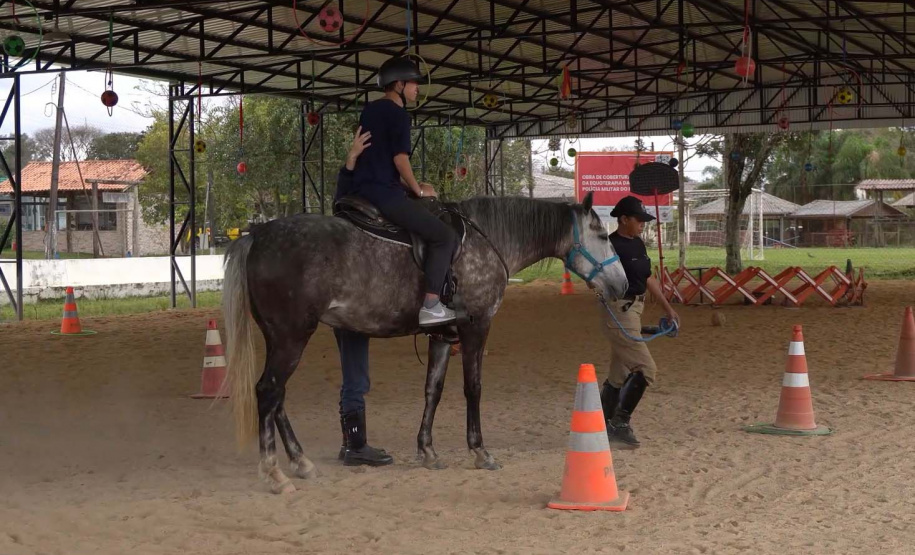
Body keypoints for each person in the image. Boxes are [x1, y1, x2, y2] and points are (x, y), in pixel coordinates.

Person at [351, 55, 458, 327]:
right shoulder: (399, 114)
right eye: (413, 84)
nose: (417, 89)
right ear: (398, 85)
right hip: (385, 194)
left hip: (360, 189)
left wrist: (412, 185)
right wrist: (418, 191)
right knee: (444, 236)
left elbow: (375, 160)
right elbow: (400, 160)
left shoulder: (369, 110)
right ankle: (432, 304)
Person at [332, 126, 394, 467]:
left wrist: (351, 161)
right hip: (354, 292)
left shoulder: (356, 197)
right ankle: (355, 446)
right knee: (356, 373)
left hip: (347, 288)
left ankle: (352, 443)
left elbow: (339, 199)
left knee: (353, 372)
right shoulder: (377, 198)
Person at [598, 195, 680, 449]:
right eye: (639, 220)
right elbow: (594, 276)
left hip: (635, 308)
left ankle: (600, 424)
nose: (643, 224)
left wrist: (668, 308)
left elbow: (647, 278)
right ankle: (620, 423)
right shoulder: (608, 247)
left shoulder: (638, 244)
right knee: (646, 369)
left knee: (619, 373)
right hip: (619, 309)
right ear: (623, 220)